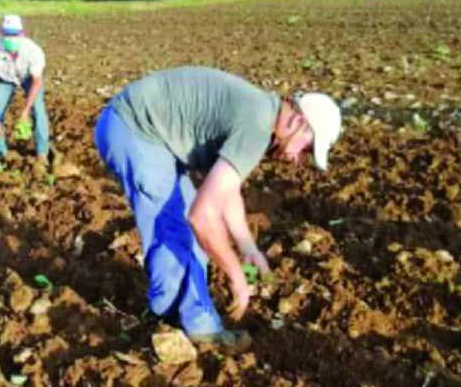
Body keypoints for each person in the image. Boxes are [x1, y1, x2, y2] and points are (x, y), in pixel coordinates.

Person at [94, 66, 342, 352]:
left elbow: (226, 190)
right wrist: (236, 276)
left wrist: (247, 246)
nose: (299, 159)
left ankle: (174, 312)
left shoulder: (262, 113)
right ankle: (199, 328)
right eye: (306, 149)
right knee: (175, 225)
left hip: (149, 133)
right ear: (298, 121)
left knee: (184, 228)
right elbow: (202, 217)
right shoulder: (258, 127)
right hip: (135, 129)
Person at [0, 14, 49, 159]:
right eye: (7, 34)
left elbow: (36, 82)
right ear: (1, 32)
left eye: (14, 34)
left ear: (22, 33)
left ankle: (42, 153)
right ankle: (0, 153)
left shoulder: (33, 50)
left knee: (38, 110)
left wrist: (25, 112)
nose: (10, 38)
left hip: (27, 78)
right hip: (3, 79)